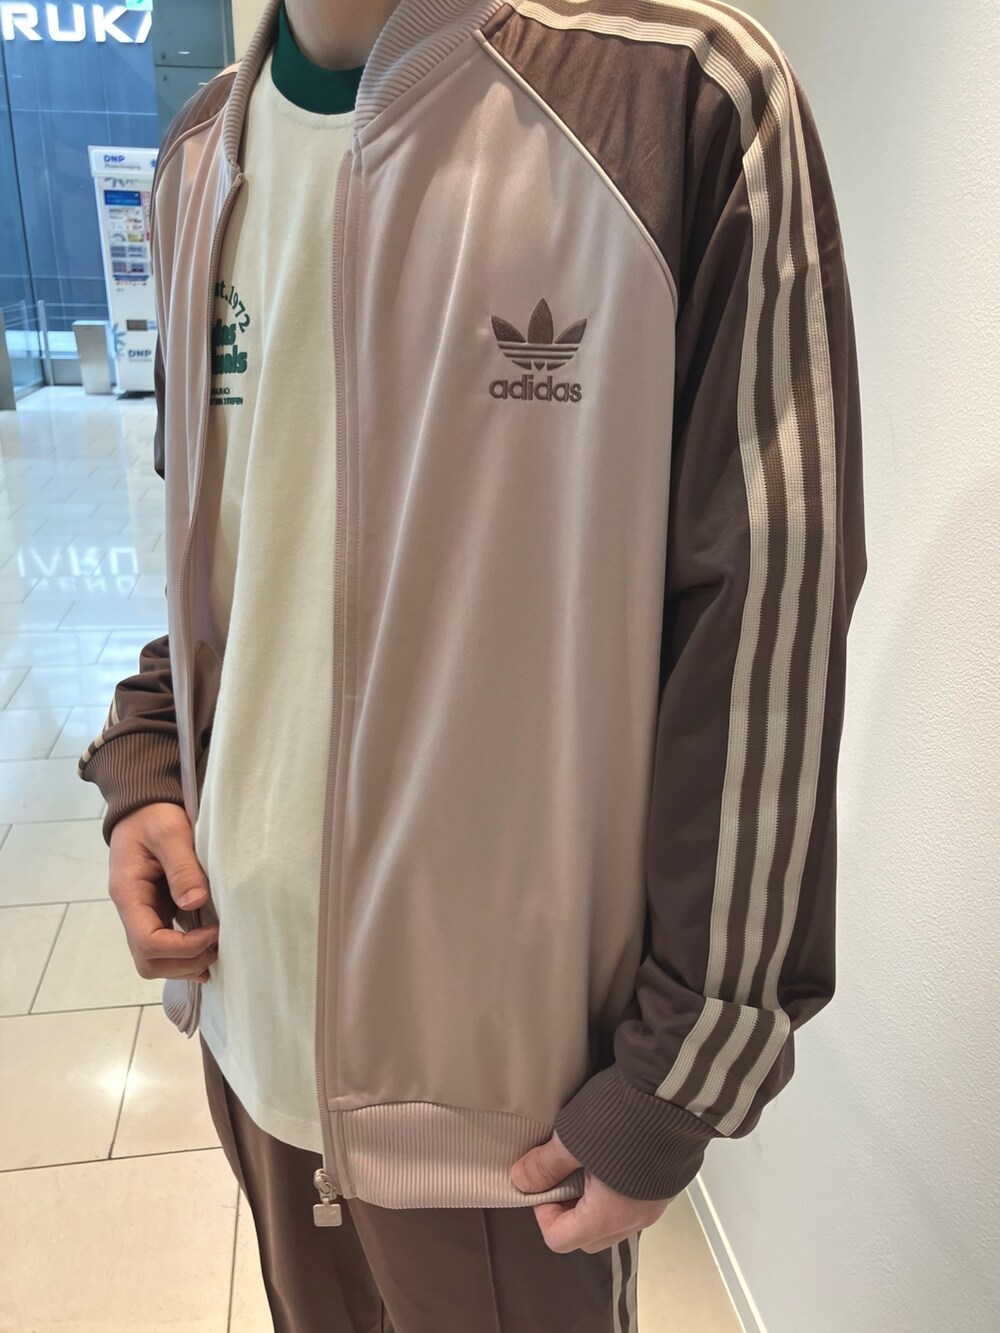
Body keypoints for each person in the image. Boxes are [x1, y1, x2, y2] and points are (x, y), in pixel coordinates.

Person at [78, 0, 867, 1328]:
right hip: (249, 1019)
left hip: (509, 1109)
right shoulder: (199, 156)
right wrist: (150, 758)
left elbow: (764, 617)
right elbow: (229, 559)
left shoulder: (680, 101)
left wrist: (687, 1062)